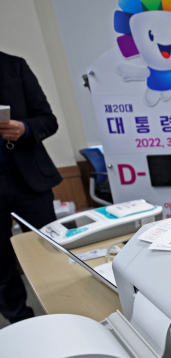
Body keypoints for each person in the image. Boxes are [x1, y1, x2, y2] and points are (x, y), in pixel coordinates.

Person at [0, 52, 61, 323]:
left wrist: (24, 129)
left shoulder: (13, 65)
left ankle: (65, 313)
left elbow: (48, 120)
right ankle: (22, 324)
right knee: (1, 267)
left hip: (27, 178)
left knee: (50, 253)